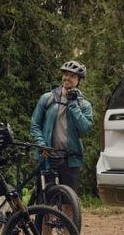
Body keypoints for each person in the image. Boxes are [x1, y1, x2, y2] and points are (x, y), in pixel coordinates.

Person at [30, 60, 95, 226]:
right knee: (46, 205)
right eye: (65, 74)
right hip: (48, 157)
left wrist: (73, 105)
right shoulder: (47, 98)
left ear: (79, 79)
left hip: (70, 159)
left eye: (72, 75)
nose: (67, 78)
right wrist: (41, 143)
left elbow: (85, 128)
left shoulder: (83, 104)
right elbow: (35, 124)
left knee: (69, 205)